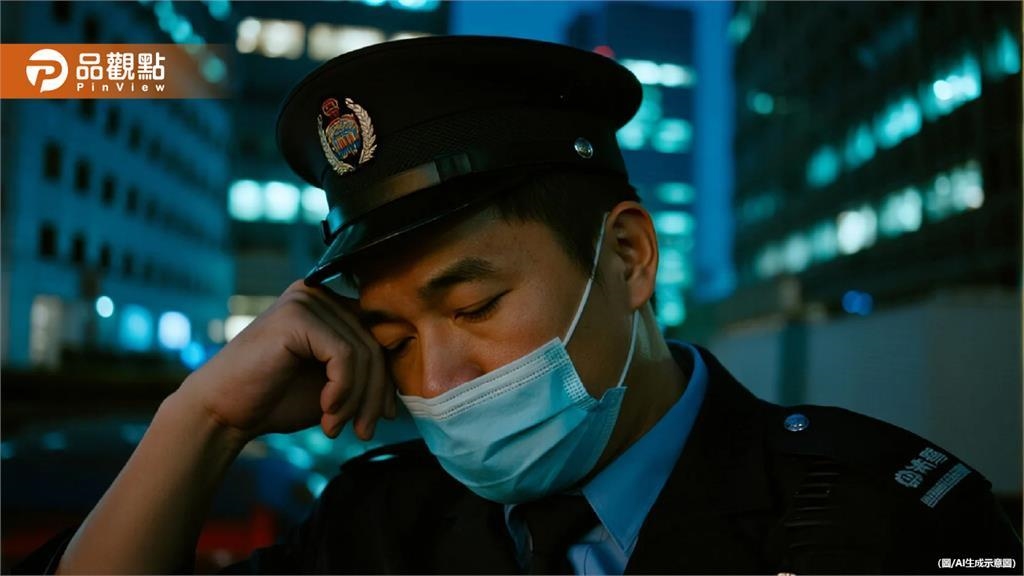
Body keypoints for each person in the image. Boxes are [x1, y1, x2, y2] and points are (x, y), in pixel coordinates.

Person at [21, 35, 1020, 575]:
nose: (439, 380)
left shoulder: (885, 520)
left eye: (474, 305)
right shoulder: (382, 525)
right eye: (392, 338)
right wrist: (200, 421)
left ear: (627, 258)